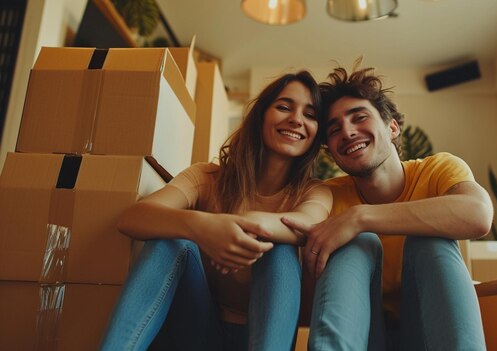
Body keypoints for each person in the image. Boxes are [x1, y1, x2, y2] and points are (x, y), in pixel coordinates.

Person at [100, 70, 347, 351]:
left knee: (279, 249)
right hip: (197, 331)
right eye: (284, 107)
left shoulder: (314, 191)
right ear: (260, 116)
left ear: (316, 135)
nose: (296, 119)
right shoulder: (207, 177)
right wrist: (203, 228)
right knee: (171, 241)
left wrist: (239, 225)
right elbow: (132, 218)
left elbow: (305, 223)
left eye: (311, 115)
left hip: (263, 337)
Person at [280, 63, 494, 350]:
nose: (347, 131)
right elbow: (306, 310)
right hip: (365, 335)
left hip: (426, 332)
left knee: (429, 241)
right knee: (357, 244)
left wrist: (360, 217)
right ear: (331, 151)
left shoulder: (438, 169)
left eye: (359, 117)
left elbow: (478, 215)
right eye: (334, 129)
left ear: (392, 127)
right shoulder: (327, 196)